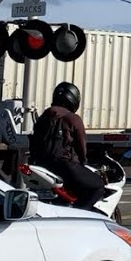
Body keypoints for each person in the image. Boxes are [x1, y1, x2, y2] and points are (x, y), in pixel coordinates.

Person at [30, 81, 107, 210]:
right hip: (64, 166)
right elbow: (81, 146)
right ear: (73, 99)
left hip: (41, 165)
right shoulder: (72, 118)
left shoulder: (44, 116)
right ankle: (80, 214)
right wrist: (83, 162)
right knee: (98, 186)